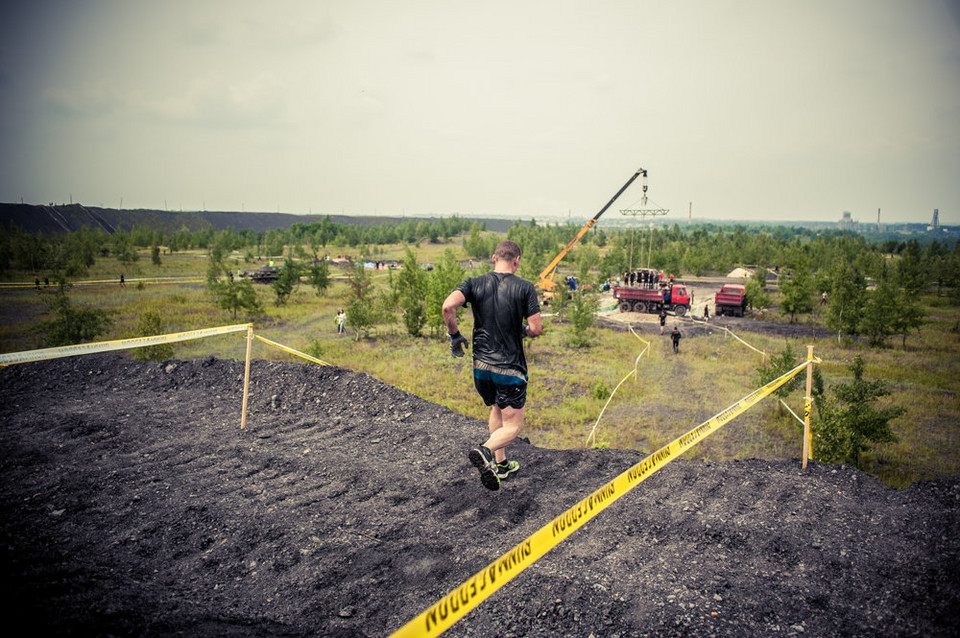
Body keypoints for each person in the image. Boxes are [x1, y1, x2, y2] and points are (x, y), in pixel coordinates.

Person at [442, 240, 543, 491]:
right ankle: (485, 451)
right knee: (514, 425)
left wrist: (455, 335)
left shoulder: (473, 283)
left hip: (481, 368)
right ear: (516, 261)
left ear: (493, 257)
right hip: (509, 369)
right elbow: (536, 329)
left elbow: (448, 306)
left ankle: (501, 464)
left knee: (497, 408)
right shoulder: (525, 288)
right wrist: (524, 331)